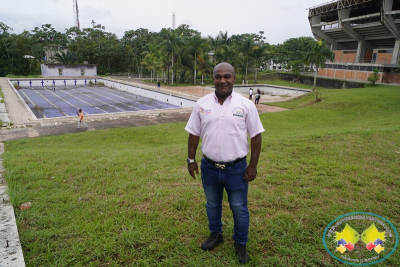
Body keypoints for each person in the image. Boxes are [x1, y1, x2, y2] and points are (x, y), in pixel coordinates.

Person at [185, 62, 264, 264]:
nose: (222, 80)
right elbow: (194, 132)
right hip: (209, 167)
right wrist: (191, 159)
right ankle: (216, 234)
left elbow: (256, 136)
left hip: (236, 168)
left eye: (227, 76)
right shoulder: (202, 104)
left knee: (239, 207)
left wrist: (253, 165)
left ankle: (240, 243)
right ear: (213, 79)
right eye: (218, 76)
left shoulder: (245, 105)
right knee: (212, 204)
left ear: (234, 78)